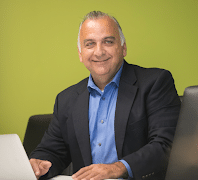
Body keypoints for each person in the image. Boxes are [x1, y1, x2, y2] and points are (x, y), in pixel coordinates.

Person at [29, 11, 181, 180]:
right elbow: (51, 151)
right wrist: (41, 164)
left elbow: (166, 144)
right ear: (80, 54)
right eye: (90, 44)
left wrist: (119, 167)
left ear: (123, 48)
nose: (99, 52)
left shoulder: (156, 83)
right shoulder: (66, 99)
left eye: (108, 42)